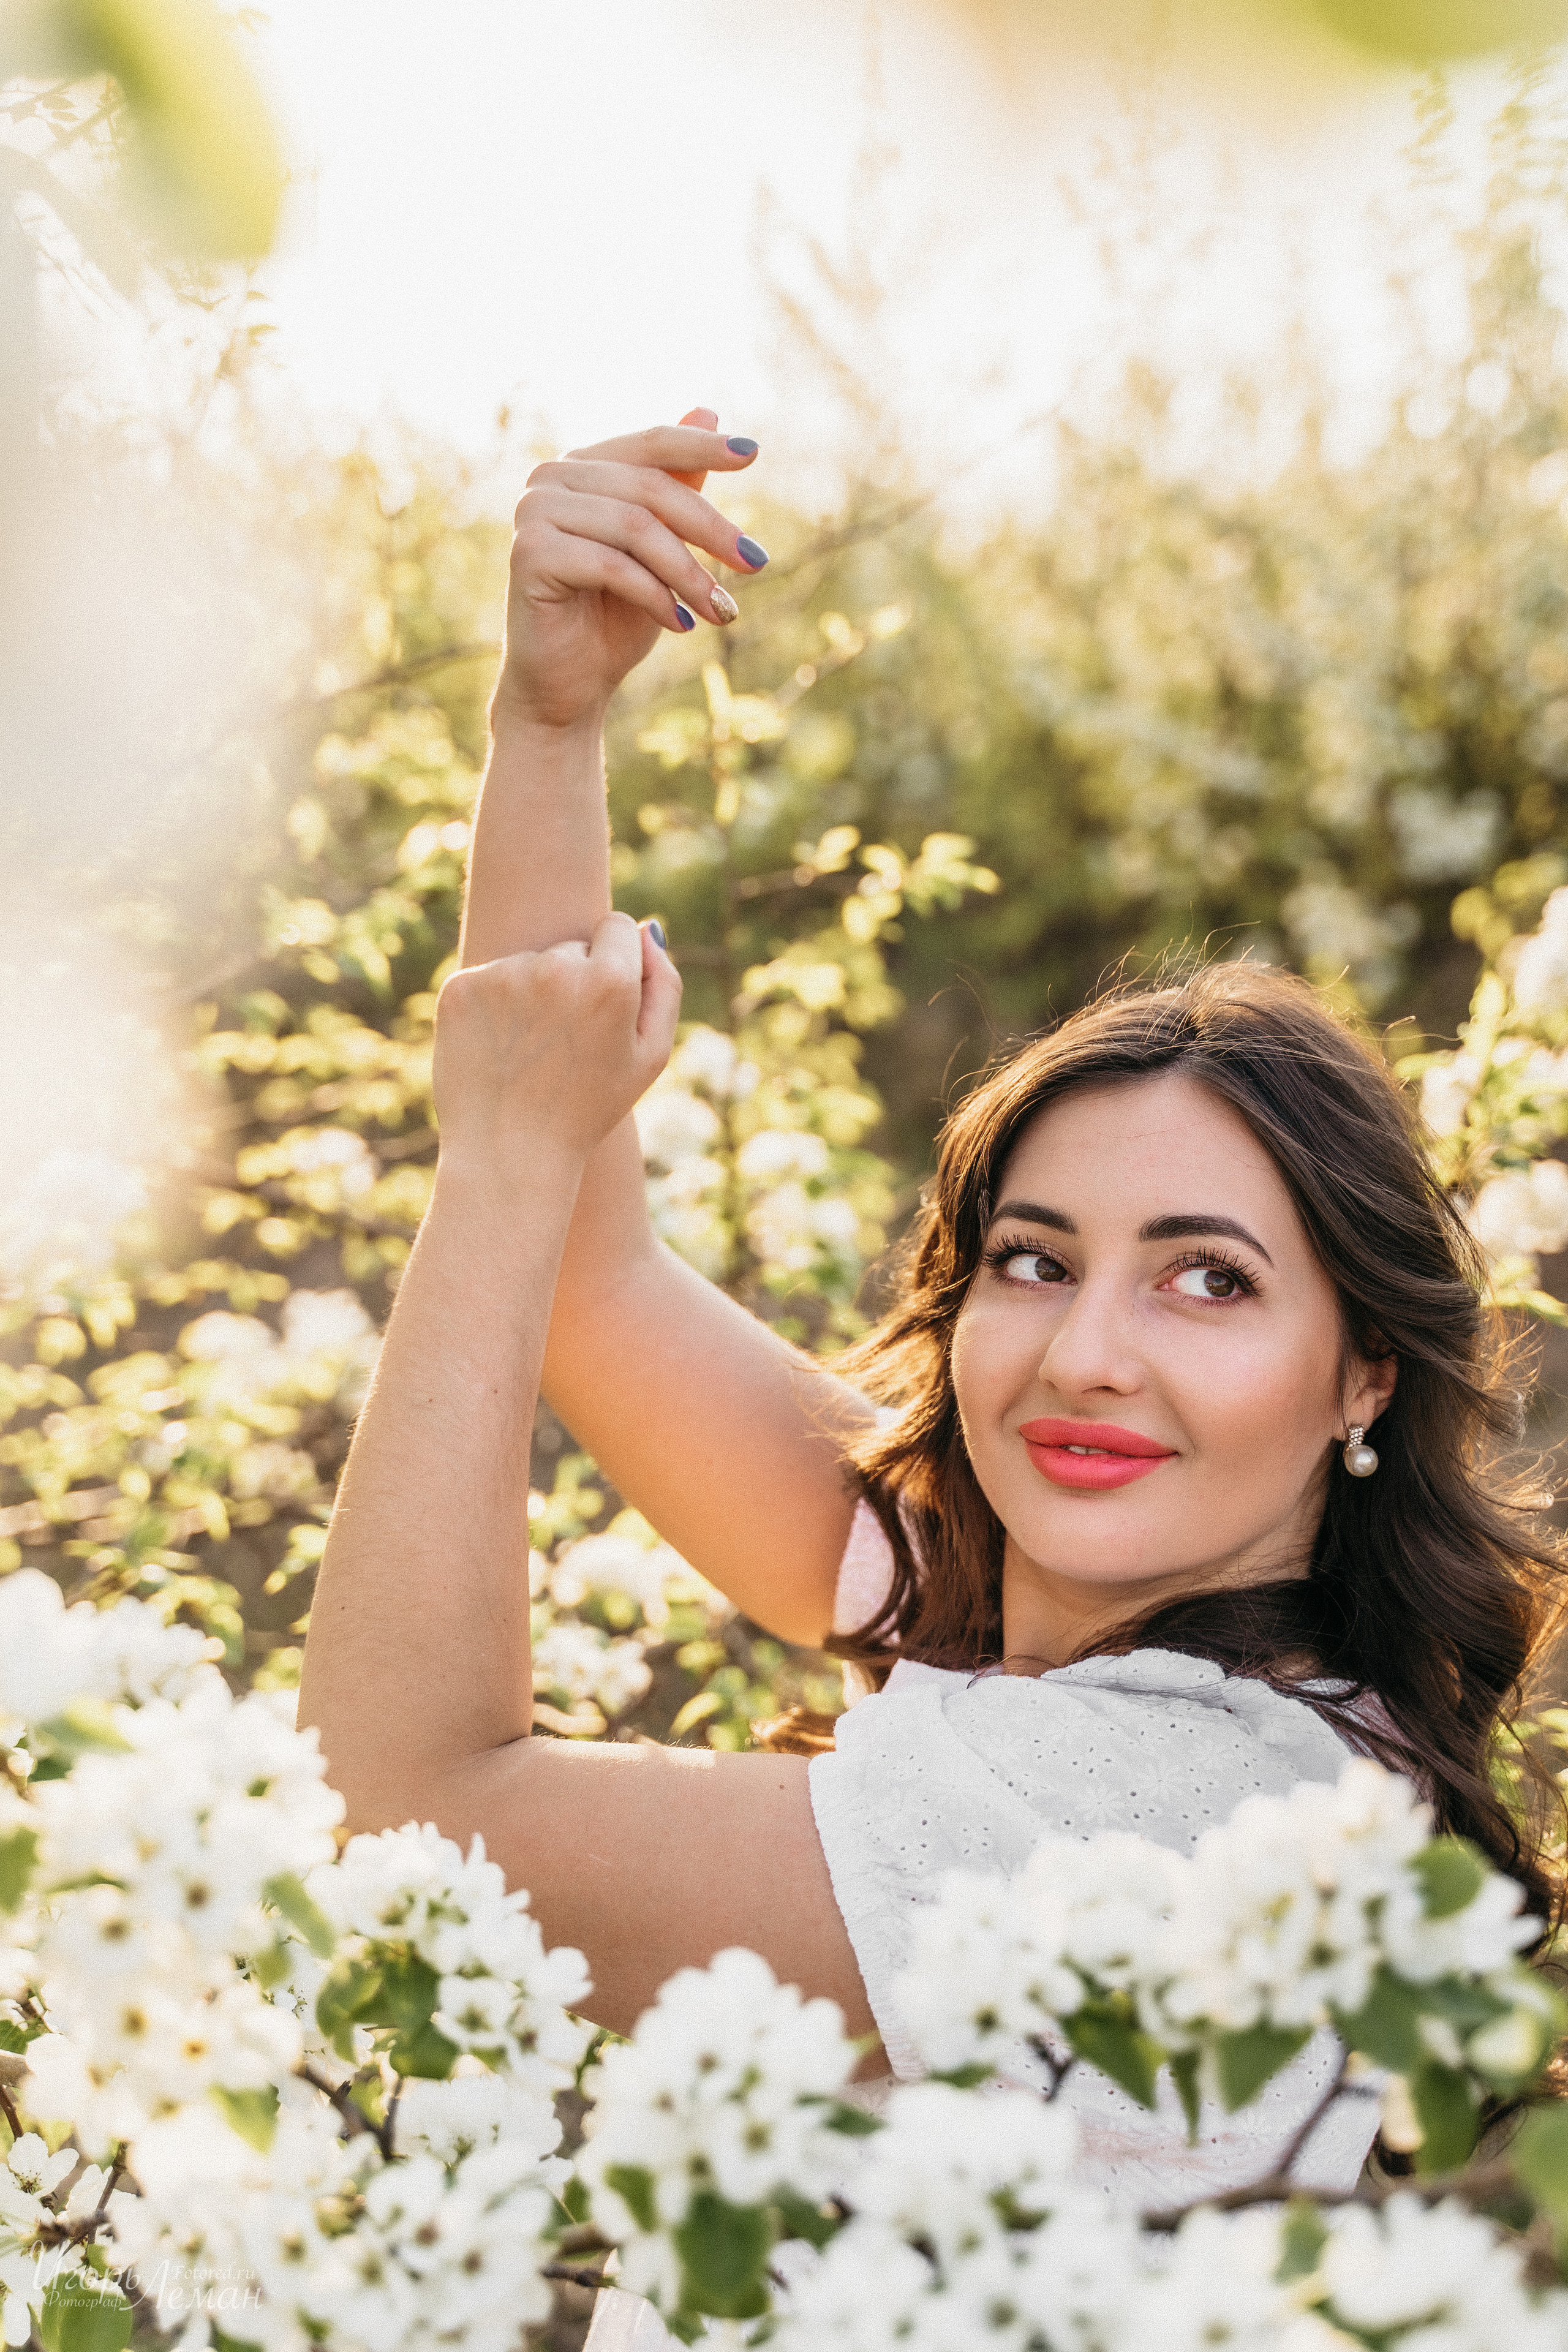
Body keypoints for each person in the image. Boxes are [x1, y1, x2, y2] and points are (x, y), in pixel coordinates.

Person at [296, 415, 1565, 2344]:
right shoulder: (1113, 1647)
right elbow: (595, 1285)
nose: (1085, 1354)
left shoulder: (1165, 1800)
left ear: (1359, 1378)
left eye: (1209, 1281)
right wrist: (548, 722)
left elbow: (398, 1817)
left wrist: (491, 1161)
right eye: (1034, 1260)